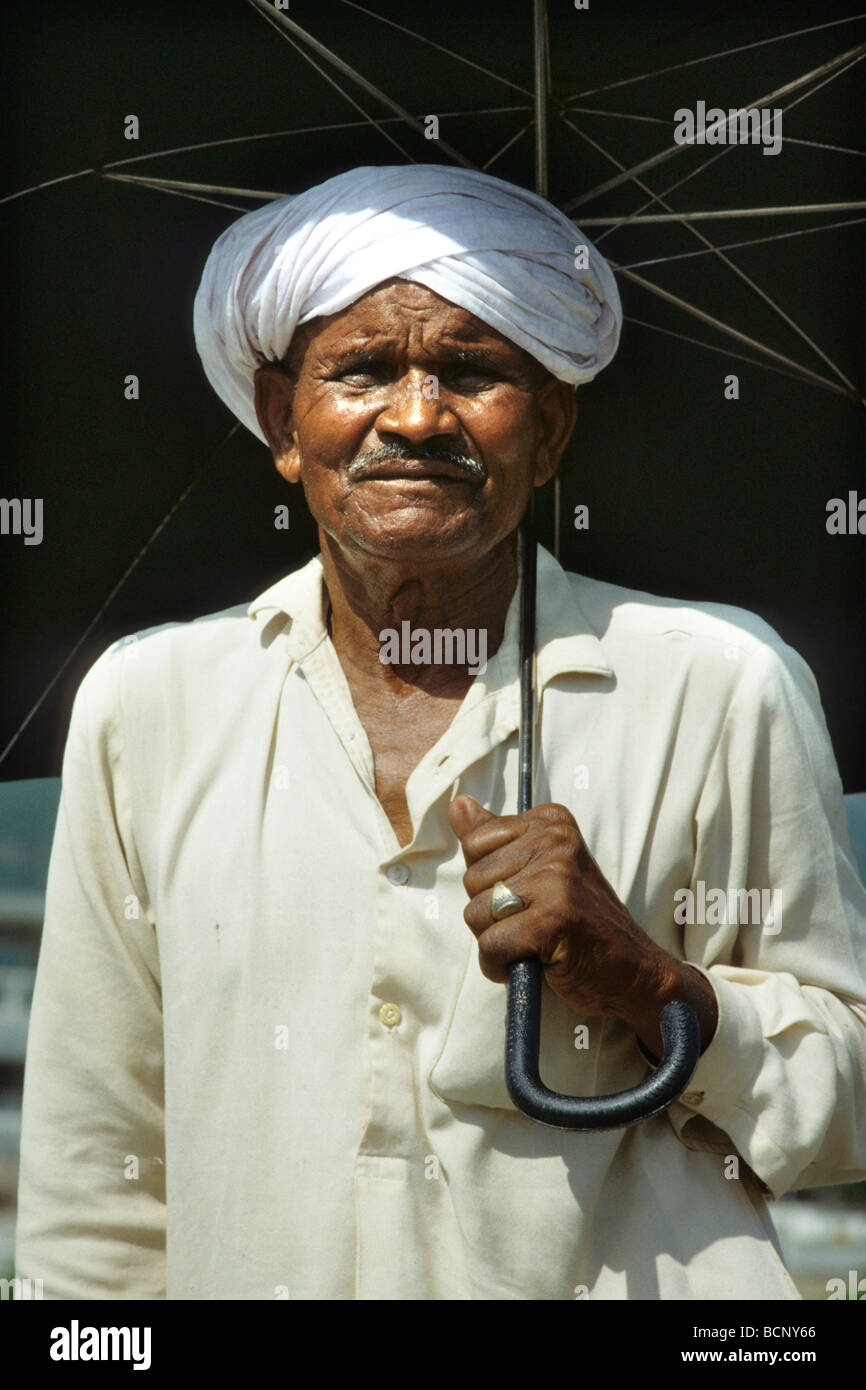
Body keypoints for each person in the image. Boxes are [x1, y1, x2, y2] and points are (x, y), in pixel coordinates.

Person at [15, 165, 866, 1300]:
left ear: (549, 427)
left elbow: (848, 1101)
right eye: (362, 370)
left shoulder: (718, 685)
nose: (414, 418)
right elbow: (97, 1165)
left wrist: (653, 987)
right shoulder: (152, 700)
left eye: (470, 374)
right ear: (281, 421)